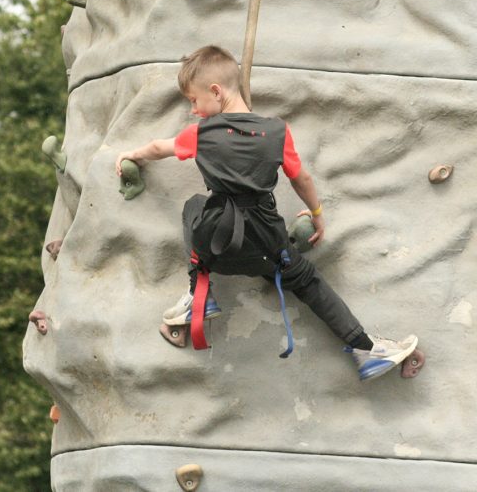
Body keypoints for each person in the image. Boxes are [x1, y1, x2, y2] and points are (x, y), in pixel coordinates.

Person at [115, 45, 417, 381]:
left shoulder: (202, 134)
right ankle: (364, 350)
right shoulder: (276, 132)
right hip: (267, 246)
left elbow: (159, 148)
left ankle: (197, 292)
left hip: (216, 245)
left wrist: (132, 154)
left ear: (216, 91)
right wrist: (317, 213)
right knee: (308, 282)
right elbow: (300, 177)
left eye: (194, 100)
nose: (194, 110)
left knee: (194, 207)